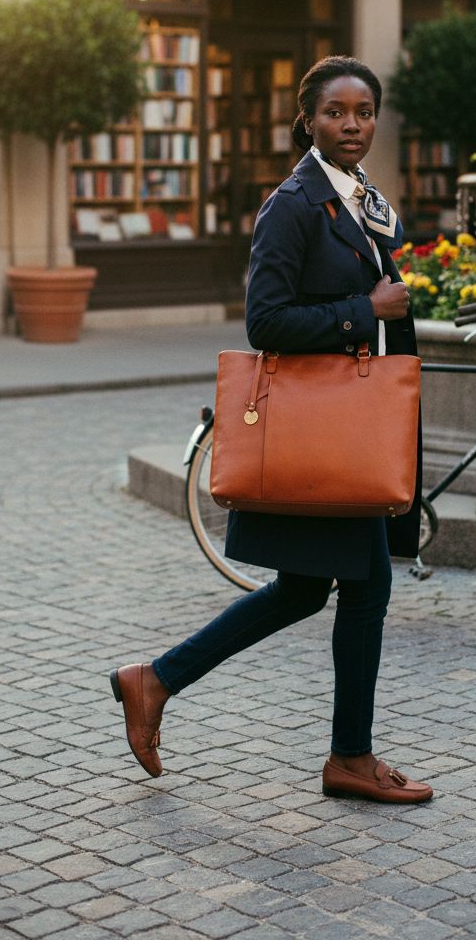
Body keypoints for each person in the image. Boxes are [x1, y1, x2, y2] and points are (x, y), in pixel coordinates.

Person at [111, 55, 432, 804]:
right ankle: (347, 757)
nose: (352, 124)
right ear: (308, 119)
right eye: (335, 112)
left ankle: (155, 681)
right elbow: (266, 321)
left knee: (308, 591)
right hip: (327, 432)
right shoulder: (293, 204)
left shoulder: (360, 200)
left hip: (353, 426)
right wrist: (366, 313)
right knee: (360, 586)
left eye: (363, 111)